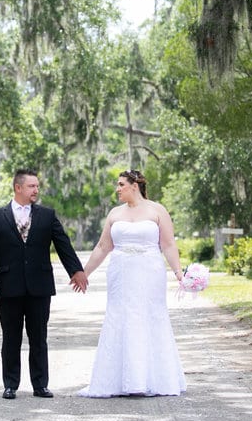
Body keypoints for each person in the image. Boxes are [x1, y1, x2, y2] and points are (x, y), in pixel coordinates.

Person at [78, 168, 187, 397]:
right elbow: (102, 247)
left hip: (149, 271)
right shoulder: (115, 214)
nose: (117, 189)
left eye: (121, 185)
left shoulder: (157, 210)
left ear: (134, 186)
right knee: (120, 316)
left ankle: (154, 378)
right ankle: (118, 381)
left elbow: (167, 244)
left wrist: (178, 273)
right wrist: (84, 273)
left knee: (150, 315)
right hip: (121, 273)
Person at [0, 169, 88, 400]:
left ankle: (40, 385)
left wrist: (77, 270)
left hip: (39, 286)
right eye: (31, 186)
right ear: (18, 188)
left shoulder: (47, 216)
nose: (36, 190)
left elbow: (63, 245)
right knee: (11, 337)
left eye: (37, 186)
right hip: (8, 286)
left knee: (39, 336)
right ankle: (10, 384)